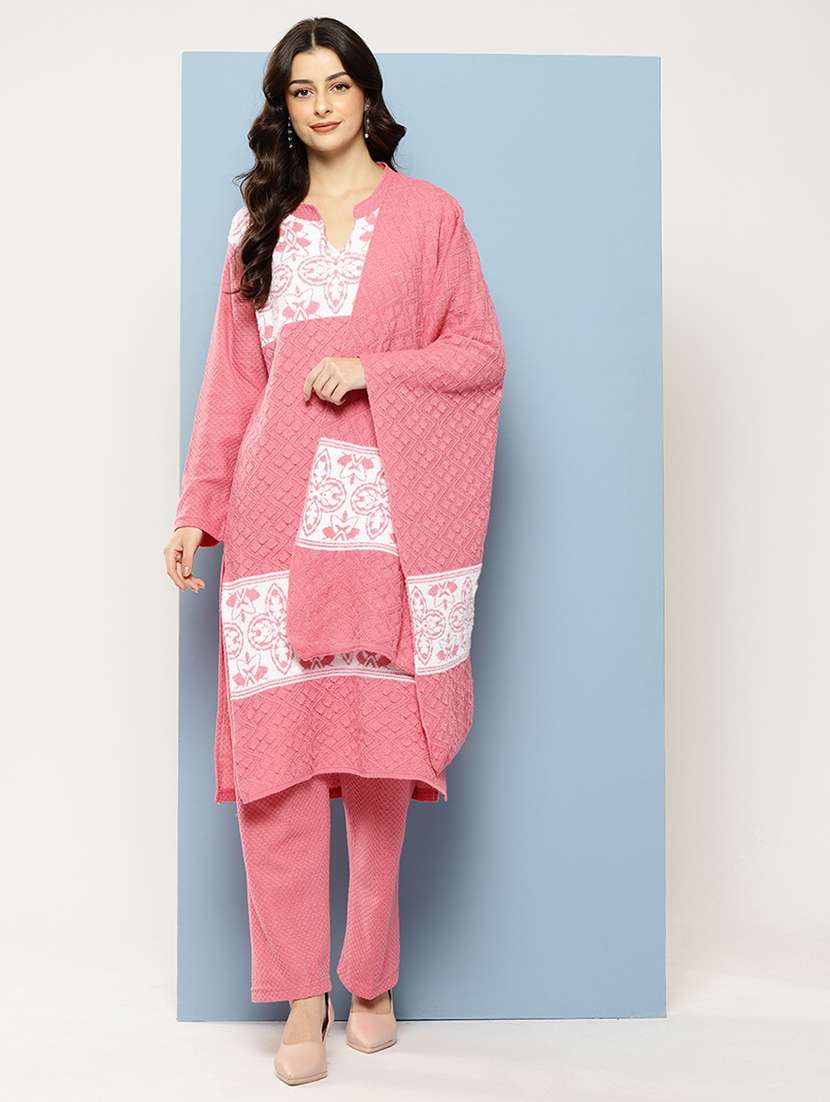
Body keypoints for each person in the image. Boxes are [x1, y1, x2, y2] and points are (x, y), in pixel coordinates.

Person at [163, 16, 505, 1087]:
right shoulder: (258, 228)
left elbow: (478, 355)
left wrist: (372, 369)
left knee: (374, 756)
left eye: (337, 84)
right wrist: (197, 508)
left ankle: (370, 976)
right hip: (273, 521)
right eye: (300, 89)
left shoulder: (430, 218)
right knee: (278, 763)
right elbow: (232, 384)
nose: (320, 104)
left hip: (384, 521)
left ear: (367, 94)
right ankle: (299, 993)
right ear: (284, 107)